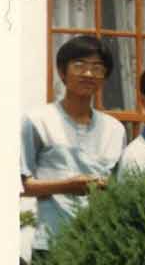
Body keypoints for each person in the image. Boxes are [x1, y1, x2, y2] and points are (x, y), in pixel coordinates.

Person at [22, 35, 128, 250]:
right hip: (51, 243)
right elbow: (21, 185)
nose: (88, 74)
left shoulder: (115, 129)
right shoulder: (37, 120)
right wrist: (68, 186)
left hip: (100, 243)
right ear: (62, 72)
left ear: (104, 77)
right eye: (79, 66)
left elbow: (120, 187)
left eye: (97, 68)